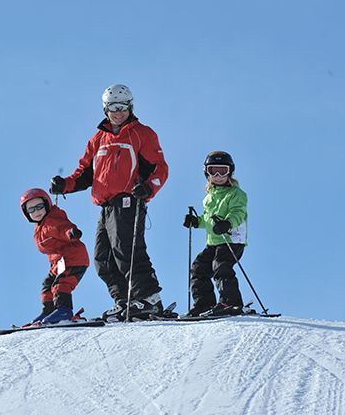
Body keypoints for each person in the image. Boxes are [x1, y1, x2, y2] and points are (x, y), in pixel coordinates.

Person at [50, 84, 169, 321]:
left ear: (130, 107)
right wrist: (64, 185)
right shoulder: (98, 139)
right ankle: (126, 301)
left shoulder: (141, 133)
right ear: (105, 109)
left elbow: (160, 168)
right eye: (113, 107)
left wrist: (148, 187)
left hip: (128, 199)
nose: (118, 112)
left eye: (123, 107)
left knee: (127, 250)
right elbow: (84, 173)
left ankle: (148, 298)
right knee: (102, 258)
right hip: (105, 206)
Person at [182, 151, 247, 316]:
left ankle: (230, 302)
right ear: (206, 173)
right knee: (198, 268)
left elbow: (238, 212)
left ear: (230, 172)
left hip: (232, 240)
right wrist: (196, 222)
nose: (218, 176)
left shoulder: (236, 194)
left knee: (221, 266)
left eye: (222, 171)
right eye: (213, 171)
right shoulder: (209, 197)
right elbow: (208, 220)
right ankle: (204, 304)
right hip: (214, 242)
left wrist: (228, 223)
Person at [20, 188, 89, 325]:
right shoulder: (39, 227)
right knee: (47, 285)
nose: (37, 212)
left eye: (39, 207)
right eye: (31, 210)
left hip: (73, 258)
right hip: (58, 262)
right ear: (27, 214)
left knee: (61, 283)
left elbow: (62, 228)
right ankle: (48, 311)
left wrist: (71, 233)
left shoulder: (52, 221)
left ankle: (64, 310)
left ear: (47, 204)